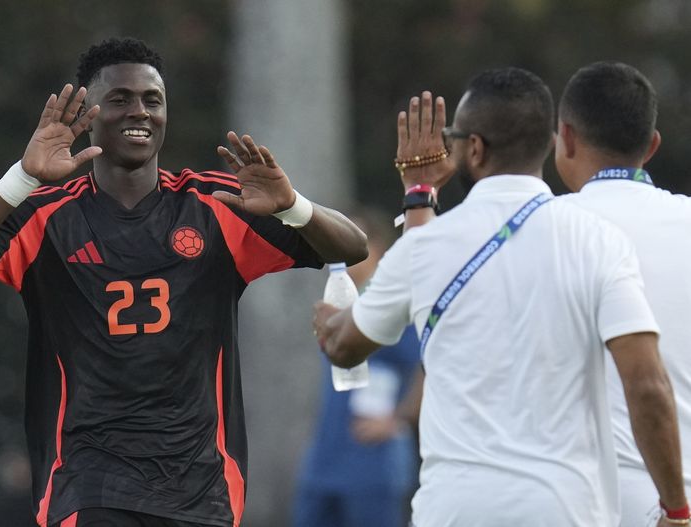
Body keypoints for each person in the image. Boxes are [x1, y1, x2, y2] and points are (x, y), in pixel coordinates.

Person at [0, 37, 367, 527]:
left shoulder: (214, 206)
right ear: (89, 114)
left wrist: (293, 206)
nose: (141, 112)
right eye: (121, 99)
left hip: (200, 484)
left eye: (153, 100)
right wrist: (21, 178)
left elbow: (351, 248)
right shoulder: (46, 216)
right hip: (88, 480)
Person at [312, 67, 688, 526]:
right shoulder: (593, 238)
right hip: (570, 504)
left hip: (453, 509)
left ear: (474, 148)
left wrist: (419, 195)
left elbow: (347, 343)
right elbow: (646, 383)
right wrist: (676, 506)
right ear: (550, 143)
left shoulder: (431, 244)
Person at [556, 61, 691, 526]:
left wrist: (421, 194)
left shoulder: (539, 228)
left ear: (566, 138)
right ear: (651, 146)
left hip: (589, 502)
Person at [292, 207, 422, 527]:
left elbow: (429, 366)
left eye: (353, 247)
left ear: (377, 250)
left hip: (374, 465)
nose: (344, 257)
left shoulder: (394, 305)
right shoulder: (337, 301)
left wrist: (398, 420)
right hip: (325, 461)